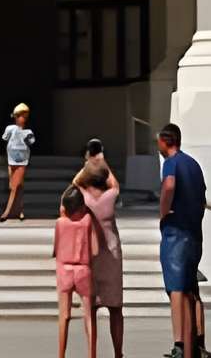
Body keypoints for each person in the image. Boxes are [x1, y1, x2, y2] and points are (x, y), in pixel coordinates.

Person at [157, 122, 206, 358]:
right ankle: (197, 343)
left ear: (165, 141)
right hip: (195, 233)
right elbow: (203, 200)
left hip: (176, 233)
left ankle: (180, 344)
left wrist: (163, 212)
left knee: (176, 289)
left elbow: (169, 185)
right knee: (192, 290)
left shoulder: (171, 163)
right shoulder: (194, 165)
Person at [74, 144, 124, 358]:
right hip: (111, 257)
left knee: (91, 310)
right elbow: (114, 183)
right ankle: (118, 353)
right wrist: (103, 163)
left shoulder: (84, 198)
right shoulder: (110, 197)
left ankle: (92, 353)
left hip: (90, 258)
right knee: (115, 309)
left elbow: (74, 183)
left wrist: (88, 165)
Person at [53, 184, 102, 358]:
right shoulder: (87, 221)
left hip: (65, 269)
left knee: (64, 316)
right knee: (88, 315)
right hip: (83, 269)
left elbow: (55, 250)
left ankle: (61, 354)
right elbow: (95, 249)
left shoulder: (60, 223)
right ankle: (91, 354)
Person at [0, 101, 34, 220]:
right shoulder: (10, 128)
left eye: (24, 116)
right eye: (19, 116)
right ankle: (20, 210)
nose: (21, 119)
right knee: (16, 186)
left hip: (22, 161)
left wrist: (26, 138)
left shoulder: (28, 132)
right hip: (11, 159)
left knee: (15, 185)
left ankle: (6, 212)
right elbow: (5, 138)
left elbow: (31, 142)